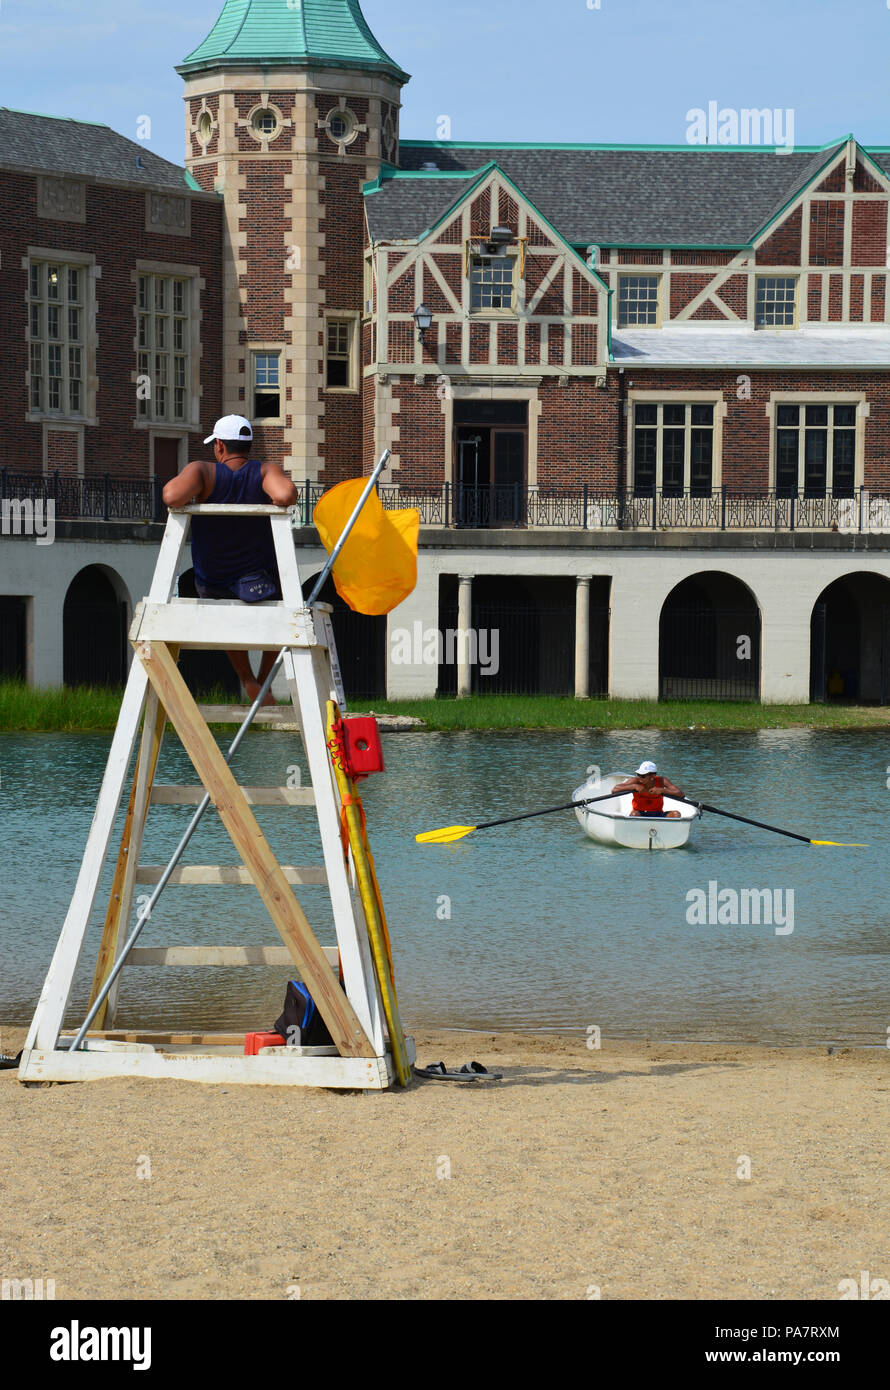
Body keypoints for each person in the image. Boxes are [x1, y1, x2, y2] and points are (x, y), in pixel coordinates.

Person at [162, 415, 298, 706]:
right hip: (261, 582)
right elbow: (286, 494)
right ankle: (263, 681)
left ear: (219, 446)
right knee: (286, 606)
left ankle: (247, 679)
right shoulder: (264, 471)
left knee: (223, 613)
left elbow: (172, 496)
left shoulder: (202, 471)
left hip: (213, 582)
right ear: (249, 446)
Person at [611, 761, 684, 818]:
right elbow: (614, 790)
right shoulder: (636, 781)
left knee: (676, 814)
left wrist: (662, 790)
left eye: (643, 776)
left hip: (658, 814)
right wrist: (634, 786)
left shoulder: (662, 780)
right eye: (638, 774)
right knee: (634, 814)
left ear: (653, 776)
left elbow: (681, 794)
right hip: (639, 813)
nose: (639, 777)